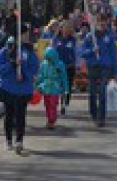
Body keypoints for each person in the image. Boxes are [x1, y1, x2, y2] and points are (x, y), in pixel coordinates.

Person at [0, 25, 40, 155]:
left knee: (21, 115)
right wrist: (11, 65)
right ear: (18, 35)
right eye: (24, 34)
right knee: (9, 115)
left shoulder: (29, 50)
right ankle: (8, 140)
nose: (27, 36)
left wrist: (23, 73)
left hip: (23, 90)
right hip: (8, 88)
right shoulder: (6, 50)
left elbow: (35, 67)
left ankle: (19, 141)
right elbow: (1, 69)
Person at [79, 15, 117, 128]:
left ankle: (101, 118)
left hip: (105, 67)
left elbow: (114, 55)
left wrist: (115, 72)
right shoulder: (89, 37)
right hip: (93, 67)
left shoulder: (109, 37)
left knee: (102, 92)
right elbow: (82, 52)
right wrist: (93, 50)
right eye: (100, 22)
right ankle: (94, 113)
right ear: (96, 23)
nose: (102, 25)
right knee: (92, 92)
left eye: (104, 22)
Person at [35, 46, 69, 130]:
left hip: (55, 87)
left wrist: (66, 88)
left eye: (50, 57)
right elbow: (41, 75)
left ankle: (51, 121)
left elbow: (64, 77)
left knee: (53, 104)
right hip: (45, 87)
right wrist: (37, 84)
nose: (48, 59)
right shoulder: (44, 64)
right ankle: (49, 119)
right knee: (47, 104)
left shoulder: (60, 64)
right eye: (47, 57)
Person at [52, 20, 77, 115]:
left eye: (68, 27)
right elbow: (52, 49)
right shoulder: (56, 39)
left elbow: (76, 50)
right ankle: (56, 102)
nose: (66, 29)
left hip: (69, 66)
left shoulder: (72, 39)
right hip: (58, 66)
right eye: (64, 27)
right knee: (58, 85)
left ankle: (64, 104)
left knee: (67, 86)